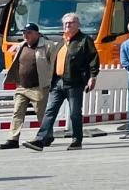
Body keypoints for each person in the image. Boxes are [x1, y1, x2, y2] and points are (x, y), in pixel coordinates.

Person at [25, 12, 99, 151]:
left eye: (70, 23)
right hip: (57, 82)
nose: (67, 25)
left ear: (78, 25)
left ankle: (77, 140)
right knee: (50, 111)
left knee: (74, 113)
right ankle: (41, 140)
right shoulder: (61, 41)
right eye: (65, 23)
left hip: (74, 82)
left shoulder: (84, 40)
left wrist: (92, 76)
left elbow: (93, 59)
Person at [0, 24, 53, 149]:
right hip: (22, 86)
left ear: (37, 34)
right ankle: (13, 139)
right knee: (17, 113)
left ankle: (47, 136)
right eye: (24, 33)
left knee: (41, 114)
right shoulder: (21, 45)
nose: (25, 35)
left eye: (28, 32)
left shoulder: (48, 46)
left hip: (38, 87)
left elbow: (55, 64)